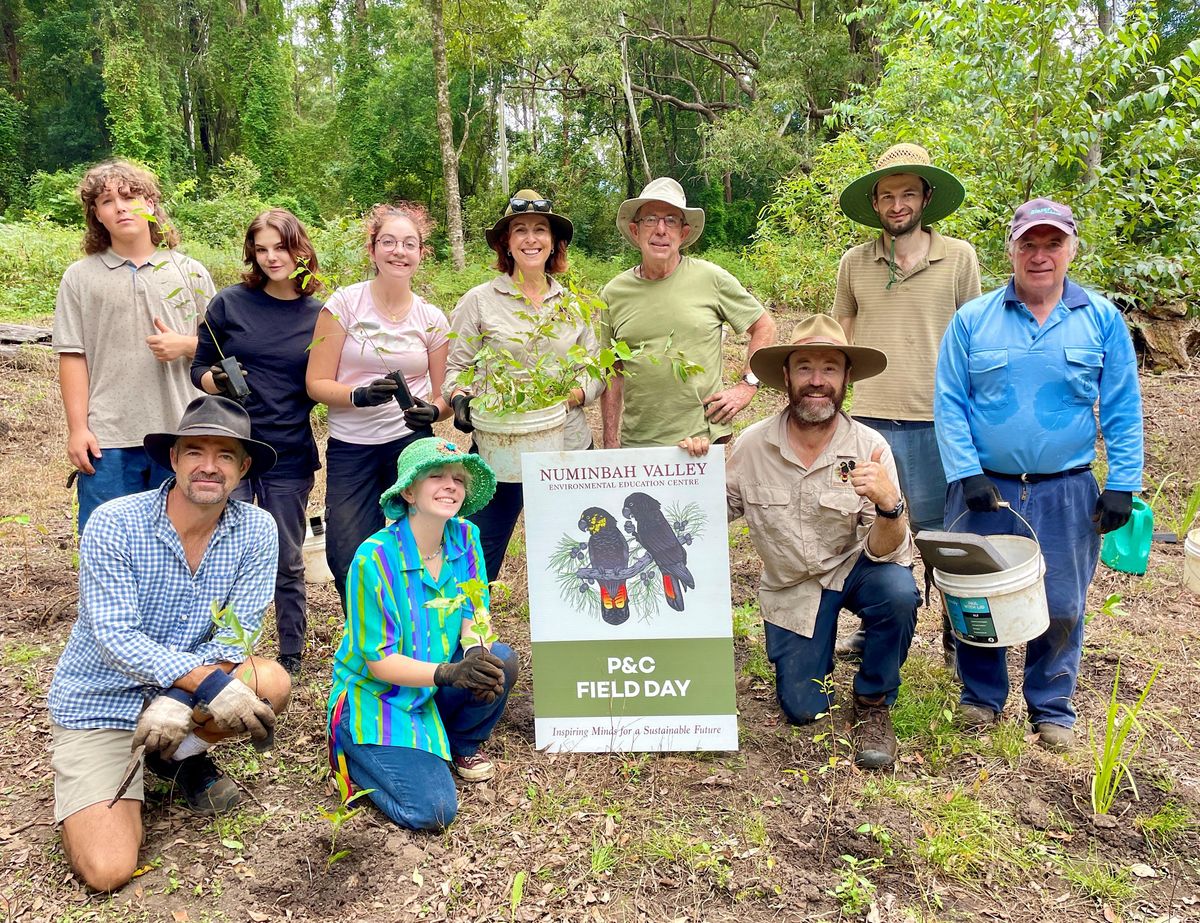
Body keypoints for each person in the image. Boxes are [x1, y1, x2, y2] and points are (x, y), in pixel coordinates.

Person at [46, 395, 292, 892]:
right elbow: (115, 634)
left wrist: (179, 696)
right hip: (101, 699)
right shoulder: (115, 522)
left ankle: (174, 757)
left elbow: (236, 632)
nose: (209, 466)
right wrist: (199, 682)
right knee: (108, 869)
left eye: (224, 455)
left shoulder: (257, 530)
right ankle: (121, 772)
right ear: (174, 458)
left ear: (243, 468)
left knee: (270, 680)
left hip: (182, 696)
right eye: (195, 450)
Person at [935, 198, 1143, 751]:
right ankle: (981, 697)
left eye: (1053, 243)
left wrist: (1123, 482)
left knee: (1064, 601)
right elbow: (950, 403)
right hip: (986, 488)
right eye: (1029, 243)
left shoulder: (1101, 320)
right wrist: (966, 471)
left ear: (1072, 248)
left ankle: (1051, 707)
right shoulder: (973, 319)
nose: (1040, 255)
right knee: (981, 594)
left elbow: (1122, 406)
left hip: (1067, 489)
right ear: (1011, 250)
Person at [681, 314, 920, 769]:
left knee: (897, 592)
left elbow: (887, 552)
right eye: (805, 367)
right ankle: (816, 651)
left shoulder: (870, 447)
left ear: (847, 377)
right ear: (786, 377)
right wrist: (691, 469)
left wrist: (891, 507)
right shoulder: (752, 446)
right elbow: (706, 514)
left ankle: (873, 702)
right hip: (793, 587)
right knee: (804, 709)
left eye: (830, 368)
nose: (817, 381)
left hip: (855, 571)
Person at [833, 143, 982, 667]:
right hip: (871, 417)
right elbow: (840, 337)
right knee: (874, 526)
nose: (898, 205)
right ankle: (881, 624)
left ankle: (957, 632)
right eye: (888, 195)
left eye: (908, 194)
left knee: (943, 534)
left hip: (939, 421)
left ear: (926, 199)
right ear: (875, 203)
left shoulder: (959, 258)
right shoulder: (854, 263)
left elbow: (974, 339)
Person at [327, 437, 519, 831]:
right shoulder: (373, 557)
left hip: (429, 686)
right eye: (436, 476)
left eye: (458, 479)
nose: (450, 485)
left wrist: (476, 653)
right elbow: (379, 662)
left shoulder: (465, 537)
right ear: (409, 491)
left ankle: (459, 745)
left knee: (502, 660)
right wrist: (450, 673)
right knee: (433, 811)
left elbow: (475, 610)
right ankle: (352, 755)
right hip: (378, 697)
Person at [191, 208, 325, 676]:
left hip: (288, 449)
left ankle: (291, 650)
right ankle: (219, 651)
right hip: (232, 448)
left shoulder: (321, 315)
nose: (272, 258)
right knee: (223, 553)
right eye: (262, 249)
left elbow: (327, 379)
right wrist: (216, 381)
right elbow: (198, 369)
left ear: (301, 249)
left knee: (288, 556)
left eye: (281, 247)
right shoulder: (228, 305)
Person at [444, 191, 602, 581]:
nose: (531, 239)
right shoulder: (479, 302)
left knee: (580, 548)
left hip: (568, 448)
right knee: (478, 555)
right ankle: (470, 635)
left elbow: (596, 369)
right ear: (506, 243)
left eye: (540, 230)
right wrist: (461, 400)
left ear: (554, 243)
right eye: (520, 230)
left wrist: (574, 395)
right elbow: (456, 369)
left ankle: (577, 637)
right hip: (502, 451)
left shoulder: (573, 304)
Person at [52, 159, 215, 532]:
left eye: (130, 196)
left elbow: (220, 352)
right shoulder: (80, 278)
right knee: (107, 541)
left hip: (182, 432)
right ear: (96, 214)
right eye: (108, 201)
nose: (121, 207)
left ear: (152, 204)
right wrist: (78, 428)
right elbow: (73, 355)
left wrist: (187, 344)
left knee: (178, 540)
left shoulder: (189, 272)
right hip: (108, 438)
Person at [306, 202, 451, 609]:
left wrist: (434, 411)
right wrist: (357, 395)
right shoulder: (344, 305)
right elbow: (316, 383)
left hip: (410, 444)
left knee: (423, 543)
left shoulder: (432, 319)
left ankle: (421, 624)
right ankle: (368, 632)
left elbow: (444, 395)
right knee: (347, 552)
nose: (398, 251)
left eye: (409, 244)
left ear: (421, 254)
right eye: (388, 242)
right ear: (372, 250)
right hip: (352, 444)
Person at [599, 177, 776, 449]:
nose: (660, 230)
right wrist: (610, 441)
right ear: (635, 231)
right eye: (650, 220)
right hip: (638, 442)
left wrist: (747, 386)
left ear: (682, 233)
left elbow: (763, 326)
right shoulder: (613, 293)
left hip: (702, 439)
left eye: (671, 220)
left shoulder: (711, 279)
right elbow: (613, 371)